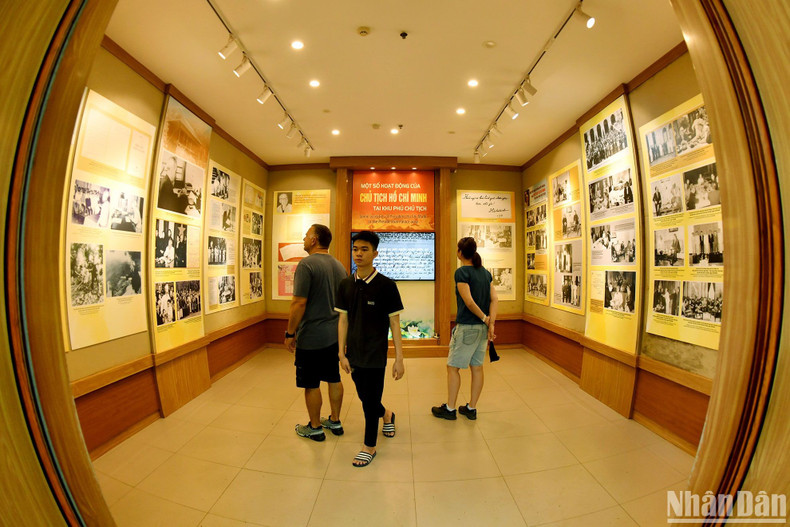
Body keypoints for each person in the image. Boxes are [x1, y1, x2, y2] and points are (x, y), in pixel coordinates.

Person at [336, 231, 404, 467]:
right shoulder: (345, 284)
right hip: (353, 352)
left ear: (375, 253)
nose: (359, 253)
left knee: (368, 400)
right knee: (366, 396)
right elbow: (343, 320)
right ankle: (387, 415)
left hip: (376, 353)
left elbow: (395, 323)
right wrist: (341, 353)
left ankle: (369, 446)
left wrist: (399, 358)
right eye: (356, 249)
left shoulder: (387, 286)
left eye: (365, 249)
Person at [286, 224, 348, 442]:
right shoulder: (340, 266)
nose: (303, 238)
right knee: (333, 377)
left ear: (314, 240)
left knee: (311, 382)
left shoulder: (306, 265)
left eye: (306, 235)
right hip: (335, 335)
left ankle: (315, 427)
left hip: (312, 336)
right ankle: (335, 420)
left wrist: (289, 332)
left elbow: (299, 304)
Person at [432, 237, 498, 422]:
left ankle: (451, 409)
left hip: (468, 327)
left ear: (460, 252)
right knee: (477, 368)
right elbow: (495, 299)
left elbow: (468, 301)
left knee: (452, 368)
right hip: (482, 330)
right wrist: (490, 323)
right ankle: (471, 408)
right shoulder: (485, 273)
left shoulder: (462, 272)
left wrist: (486, 318)